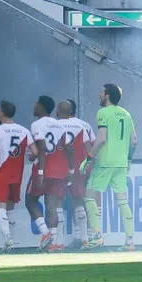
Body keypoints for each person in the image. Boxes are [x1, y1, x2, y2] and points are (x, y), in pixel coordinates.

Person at [84, 83, 137, 251]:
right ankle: (129, 241)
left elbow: (101, 138)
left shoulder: (103, 113)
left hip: (105, 162)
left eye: (101, 92)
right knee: (123, 201)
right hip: (121, 164)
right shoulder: (126, 114)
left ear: (107, 96)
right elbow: (134, 141)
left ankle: (97, 236)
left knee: (89, 196)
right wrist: (128, 159)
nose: (99, 94)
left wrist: (89, 158)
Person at [0, 101, 31, 251]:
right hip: (17, 173)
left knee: (1, 207)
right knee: (11, 209)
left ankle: (8, 240)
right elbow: (34, 151)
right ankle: (11, 242)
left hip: (3, 172)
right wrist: (31, 158)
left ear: (2, 112)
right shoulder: (24, 131)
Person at [24, 95, 66, 251]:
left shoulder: (37, 124)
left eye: (36, 103)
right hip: (57, 170)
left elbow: (42, 147)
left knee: (30, 201)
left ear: (41, 106)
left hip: (42, 168)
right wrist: (68, 169)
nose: (34, 106)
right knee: (51, 206)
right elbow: (64, 148)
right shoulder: (59, 125)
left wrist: (40, 171)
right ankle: (53, 243)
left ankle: (45, 233)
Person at [54, 99, 95, 245]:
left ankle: (57, 242)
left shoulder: (53, 125)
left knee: (57, 202)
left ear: (59, 110)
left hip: (58, 167)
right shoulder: (82, 126)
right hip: (78, 166)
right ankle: (85, 236)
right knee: (80, 199)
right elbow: (91, 147)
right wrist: (89, 166)